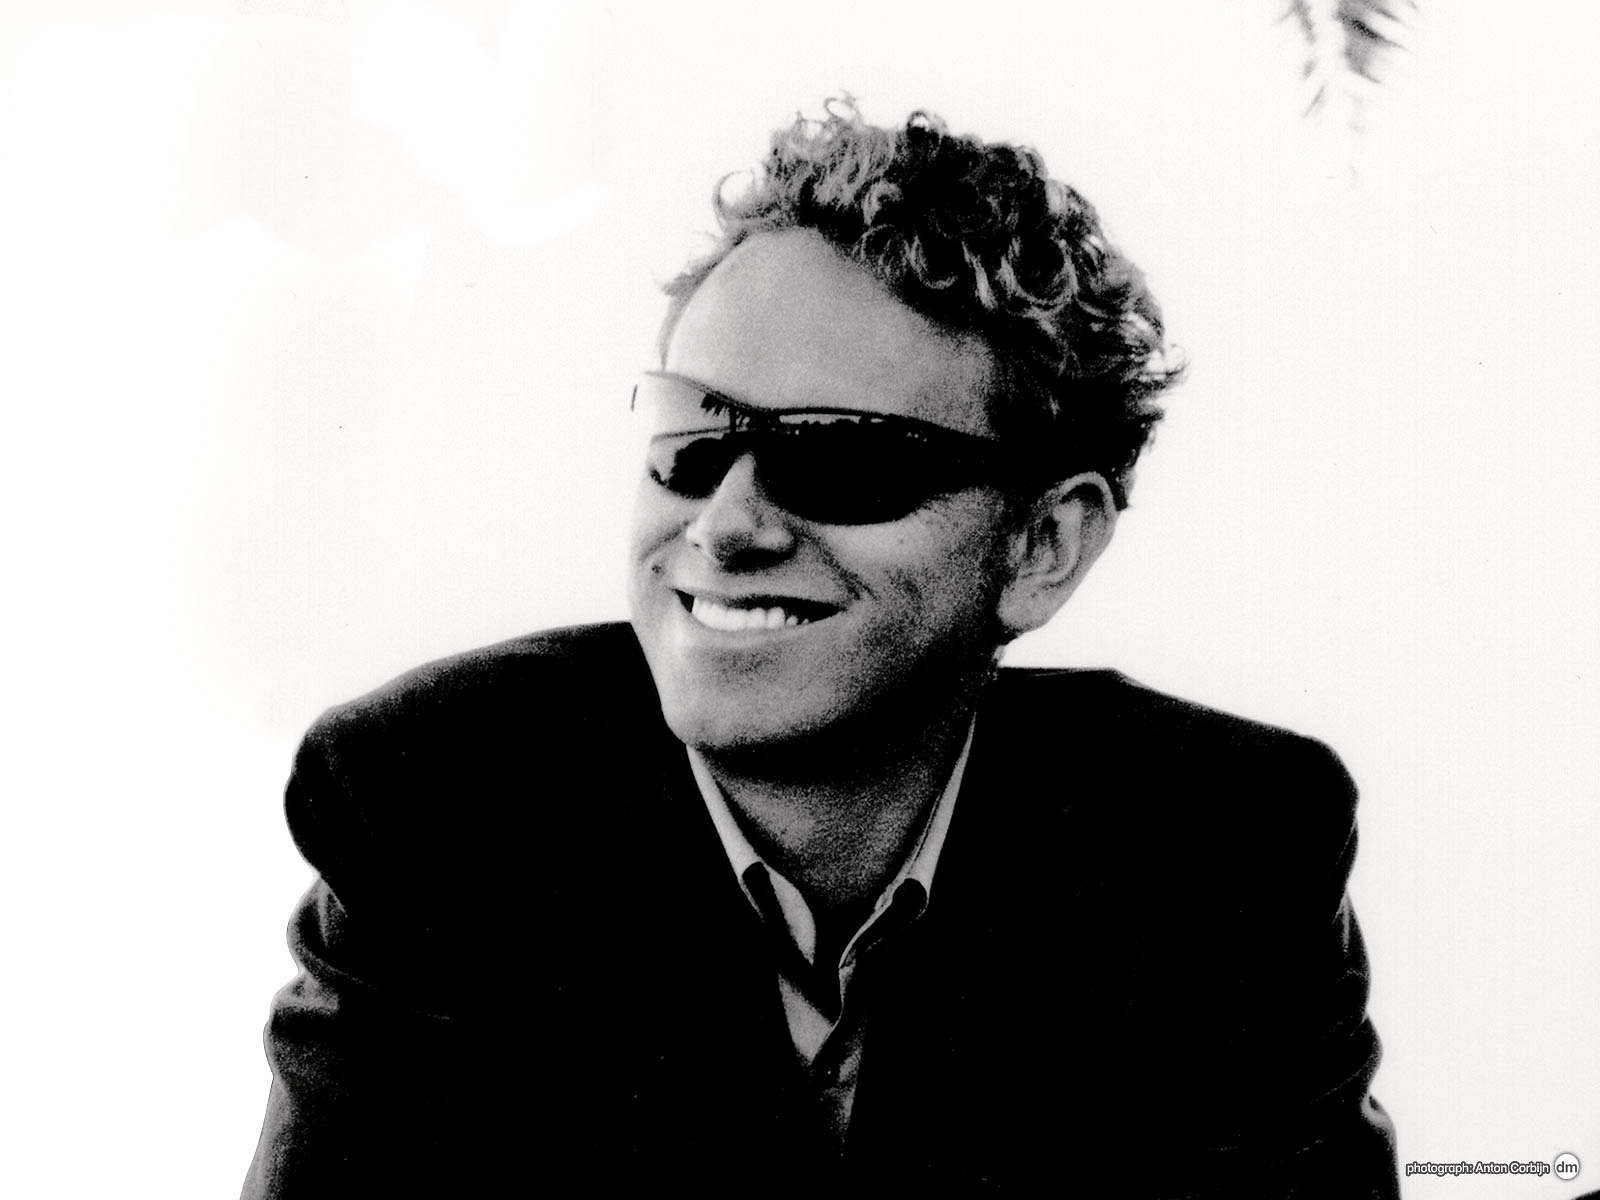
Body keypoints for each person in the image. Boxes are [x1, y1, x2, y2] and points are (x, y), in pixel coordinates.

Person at [242, 102, 1400, 1196]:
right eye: (692, 442)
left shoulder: (1220, 849)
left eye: (842, 457)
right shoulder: (440, 799)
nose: (725, 525)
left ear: (1042, 546)